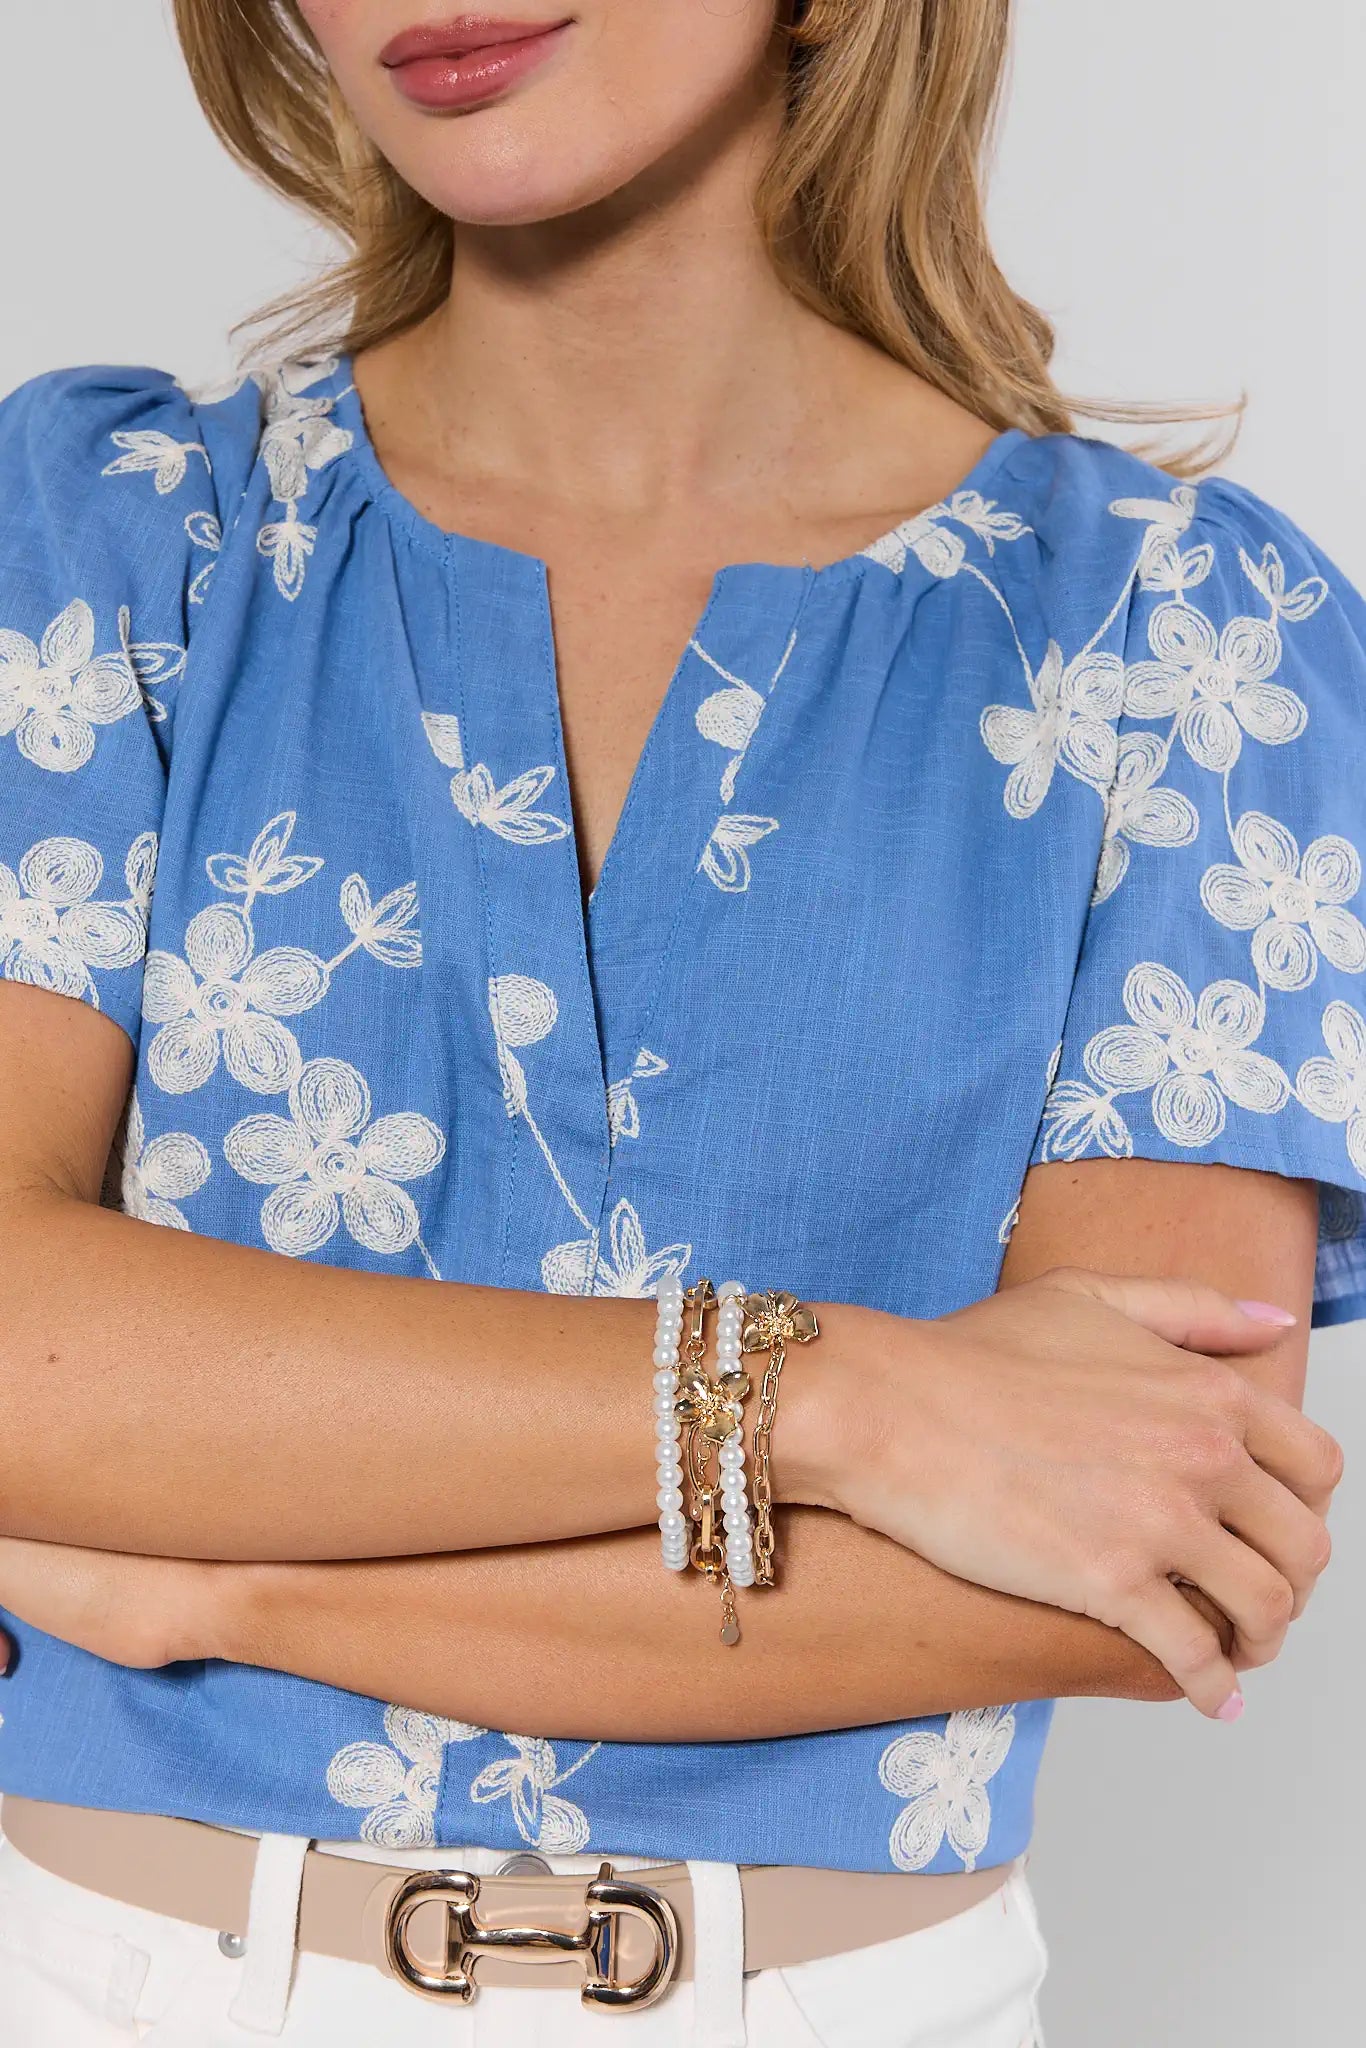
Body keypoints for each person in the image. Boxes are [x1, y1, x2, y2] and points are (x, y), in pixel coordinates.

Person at [0, 1, 1355, 2041]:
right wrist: (841, 1403)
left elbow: (1123, 1562)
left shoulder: (1181, 640)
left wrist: (212, 1588)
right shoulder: (110, 546)